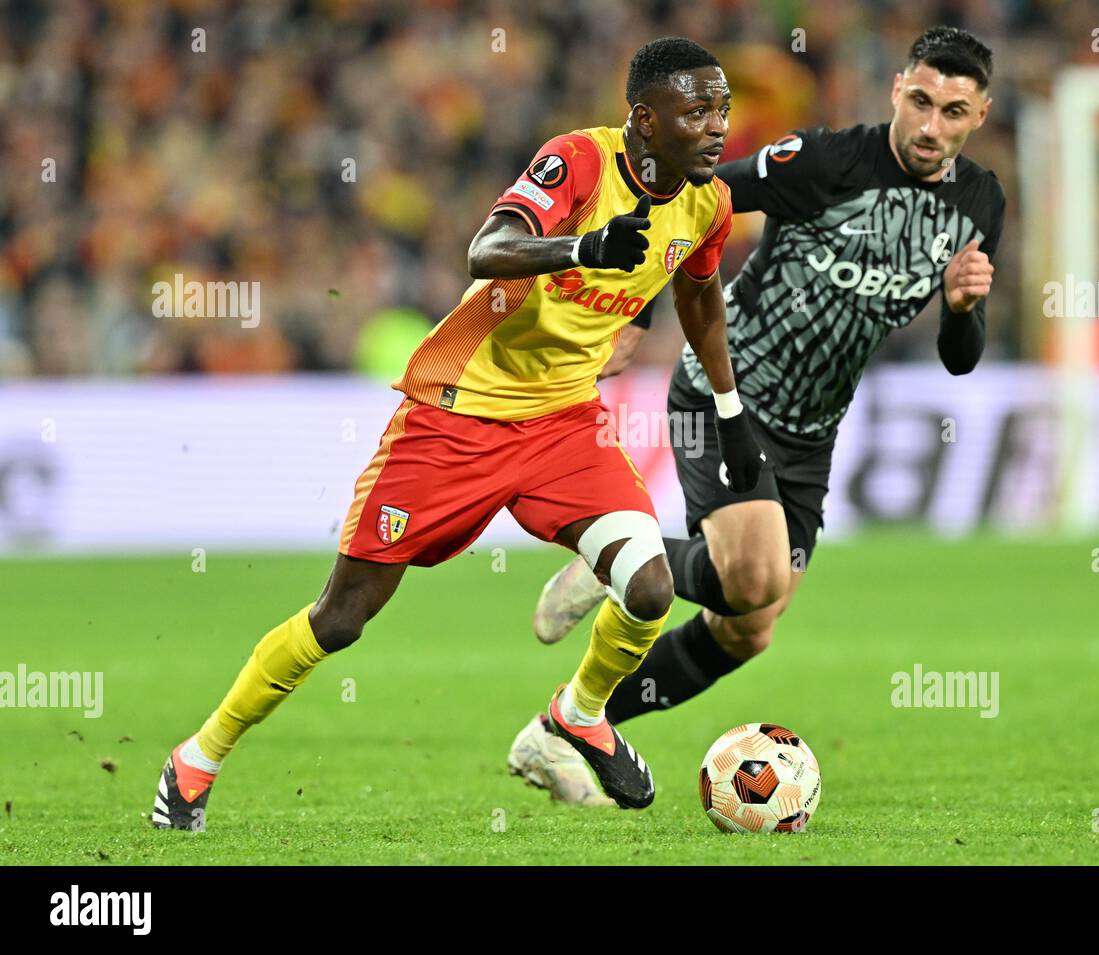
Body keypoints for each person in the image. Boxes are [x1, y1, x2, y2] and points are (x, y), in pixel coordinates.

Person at [151, 36, 766, 829]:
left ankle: (576, 715)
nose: (718, 127)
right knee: (341, 616)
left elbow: (700, 300)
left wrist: (728, 409)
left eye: (722, 109)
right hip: (455, 414)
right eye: (697, 111)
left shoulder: (708, 202)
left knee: (649, 588)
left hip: (562, 420)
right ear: (645, 120)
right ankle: (195, 759)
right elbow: (487, 250)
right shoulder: (578, 162)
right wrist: (582, 246)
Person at [510, 26, 1005, 805]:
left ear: (979, 115)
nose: (930, 125)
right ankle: (635, 560)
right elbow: (694, 197)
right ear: (896, 92)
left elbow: (960, 357)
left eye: (952, 111)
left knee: (749, 626)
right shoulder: (823, 162)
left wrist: (962, 309)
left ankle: (571, 720)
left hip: (812, 430)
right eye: (919, 101)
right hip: (726, 389)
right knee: (756, 575)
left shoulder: (980, 202)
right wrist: (636, 306)